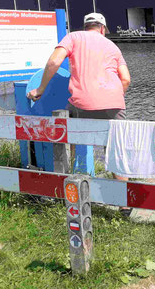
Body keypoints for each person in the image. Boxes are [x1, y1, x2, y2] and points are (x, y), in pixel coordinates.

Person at [27, 12, 132, 214]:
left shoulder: (73, 37)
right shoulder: (113, 46)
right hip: (114, 103)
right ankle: (124, 206)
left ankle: (71, 186)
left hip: (82, 103)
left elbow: (53, 63)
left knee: (67, 136)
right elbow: (125, 79)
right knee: (117, 149)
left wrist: (40, 89)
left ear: (86, 26)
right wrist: (113, 97)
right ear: (103, 28)